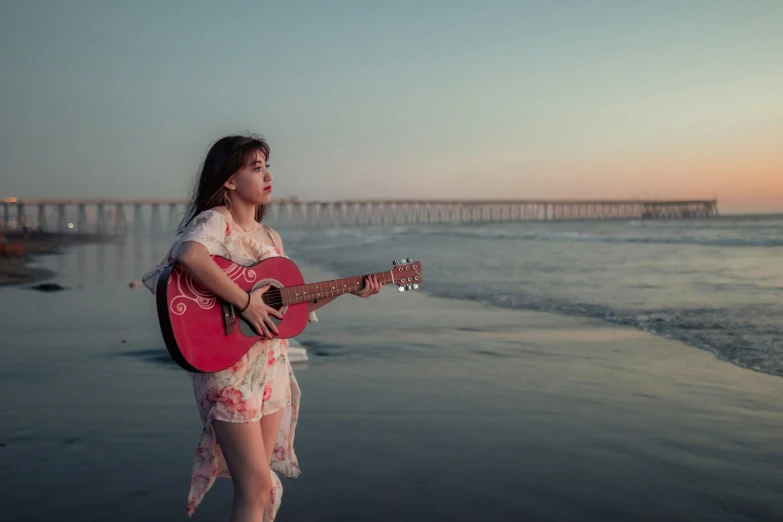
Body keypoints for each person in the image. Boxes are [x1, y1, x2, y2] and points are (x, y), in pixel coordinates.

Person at [141, 134, 382, 522]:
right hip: (226, 367)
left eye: (267, 167)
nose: (268, 176)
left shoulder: (272, 238)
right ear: (230, 180)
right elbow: (189, 255)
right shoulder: (216, 221)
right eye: (256, 168)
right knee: (253, 487)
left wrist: (351, 289)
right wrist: (245, 301)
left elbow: (289, 307)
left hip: (270, 367)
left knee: (264, 488)